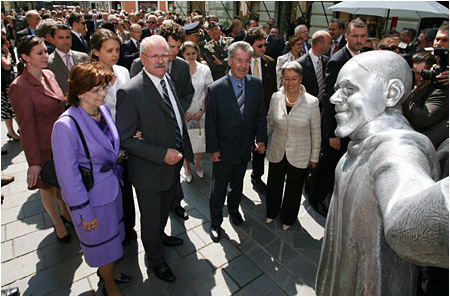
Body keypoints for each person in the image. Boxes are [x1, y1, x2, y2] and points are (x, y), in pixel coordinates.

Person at [315, 50, 449, 296]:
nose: (334, 98)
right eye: (336, 88)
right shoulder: (359, 143)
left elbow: (408, 217)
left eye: (349, 89)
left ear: (392, 94)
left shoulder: (400, 149)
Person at [116, 35, 194, 283]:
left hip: (173, 164)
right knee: (150, 219)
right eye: (155, 56)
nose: (162, 61)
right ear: (142, 58)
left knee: (162, 212)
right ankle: (155, 261)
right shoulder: (130, 91)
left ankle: (159, 238)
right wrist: (162, 155)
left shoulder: (167, 79)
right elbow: (125, 139)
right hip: (150, 170)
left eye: (165, 55)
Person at [52, 63, 131, 296]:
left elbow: (105, 144)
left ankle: (110, 273)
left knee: (112, 240)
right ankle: (109, 284)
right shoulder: (65, 125)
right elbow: (68, 177)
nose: (102, 94)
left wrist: (117, 153)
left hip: (111, 190)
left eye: (104, 88)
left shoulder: (102, 110)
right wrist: (83, 212)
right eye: (95, 90)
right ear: (78, 91)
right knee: (104, 247)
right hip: (93, 199)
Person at [8, 36, 71, 243]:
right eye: (40, 53)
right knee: (48, 187)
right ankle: (58, 223)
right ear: (25, 57)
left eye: (46, 51)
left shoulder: (50, 74)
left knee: (63, 183)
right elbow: (26, 128)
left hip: (61, 143)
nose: (46, 56)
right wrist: (33, 163)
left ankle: (66, 212)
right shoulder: (20, 86)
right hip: (43, 148)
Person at [205, 41, 267, 242]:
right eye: (238, 60)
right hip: (223, 149)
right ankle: (215, 223)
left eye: (246, 61)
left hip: (244, 147)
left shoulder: (256, 84)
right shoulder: (215, 89)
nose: (242, 65)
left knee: (238, 184)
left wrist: (260, 139)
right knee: (219, 188)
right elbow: (211, 122)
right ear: (230, 61)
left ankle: (233, 210)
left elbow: (260, 115)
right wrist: (213, 148)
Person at [307, 18, 368, 217]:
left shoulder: (366, 57)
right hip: (337, 126)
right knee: (327, 163)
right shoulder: (337, 60)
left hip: (355, 123)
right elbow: (328, 98)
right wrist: (332, 132)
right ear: (347, 36)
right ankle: (315, 197)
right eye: (356, 36)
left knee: (341, 163)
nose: (360, 40)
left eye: (363, 36)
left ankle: (330, 192)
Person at [266, 61, 320, 230]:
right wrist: (260, 140)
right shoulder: (276, 97)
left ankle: (288, 218)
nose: (290, 83)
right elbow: (270, 123)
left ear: (301, 79)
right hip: (277, 149)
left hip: (300, 153)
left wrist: (314, 157)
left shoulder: (312, 102)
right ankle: (271, 212)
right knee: (274, 184)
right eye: (286, 79)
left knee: (294, 189)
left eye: (294, 79)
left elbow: (316, 132)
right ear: (282, 79)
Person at [244, 27, 278, 194]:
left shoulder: (270, 62)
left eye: (265, 45)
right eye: (259, 46)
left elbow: (273, 90)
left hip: (262, 116)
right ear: (250, 46)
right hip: (243, 117)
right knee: (242, 149)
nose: (263, 48)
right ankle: (235, 178)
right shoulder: (240, 63)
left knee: (260, 148)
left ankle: (257, 177)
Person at [181, 41, 213, 182]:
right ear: (183, 54)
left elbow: (209, 91)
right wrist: (183, 113)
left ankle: (198, 165)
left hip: (201, 111)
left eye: (193, 53)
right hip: (184, 112)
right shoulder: (178, 70)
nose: (191, 56)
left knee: (199, 141)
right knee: (185, 142)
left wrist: (201, 111)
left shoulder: (204, 69)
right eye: (188, 53)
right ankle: (187, 168)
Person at [402, 51, 448, 148]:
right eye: (413, 73)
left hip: (424, 145)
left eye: (420, 73)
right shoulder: (414, 86)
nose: (416, 77)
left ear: (430, 73)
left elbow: (424, 119)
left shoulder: (440, 90)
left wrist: (403, 97)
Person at [47, 23, 88, 95]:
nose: (65, 41)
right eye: (61, 38)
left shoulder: (83, 58)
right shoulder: (48, 63)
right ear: (53, 39)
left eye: (68, 37)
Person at [296, 30, 331, 105]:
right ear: (320, 44)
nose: (330, 46)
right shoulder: (300, 63)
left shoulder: (327, 61)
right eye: (328, 43)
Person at [1, 34, 20, 142]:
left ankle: (11, 131)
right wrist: (7, 53)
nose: (8, 42)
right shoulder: (2, 53)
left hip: (4, 85)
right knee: (12, 108)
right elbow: (7, 65)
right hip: (5, 84)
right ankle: (13, 131)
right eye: (6, 41)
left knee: (7, 109)